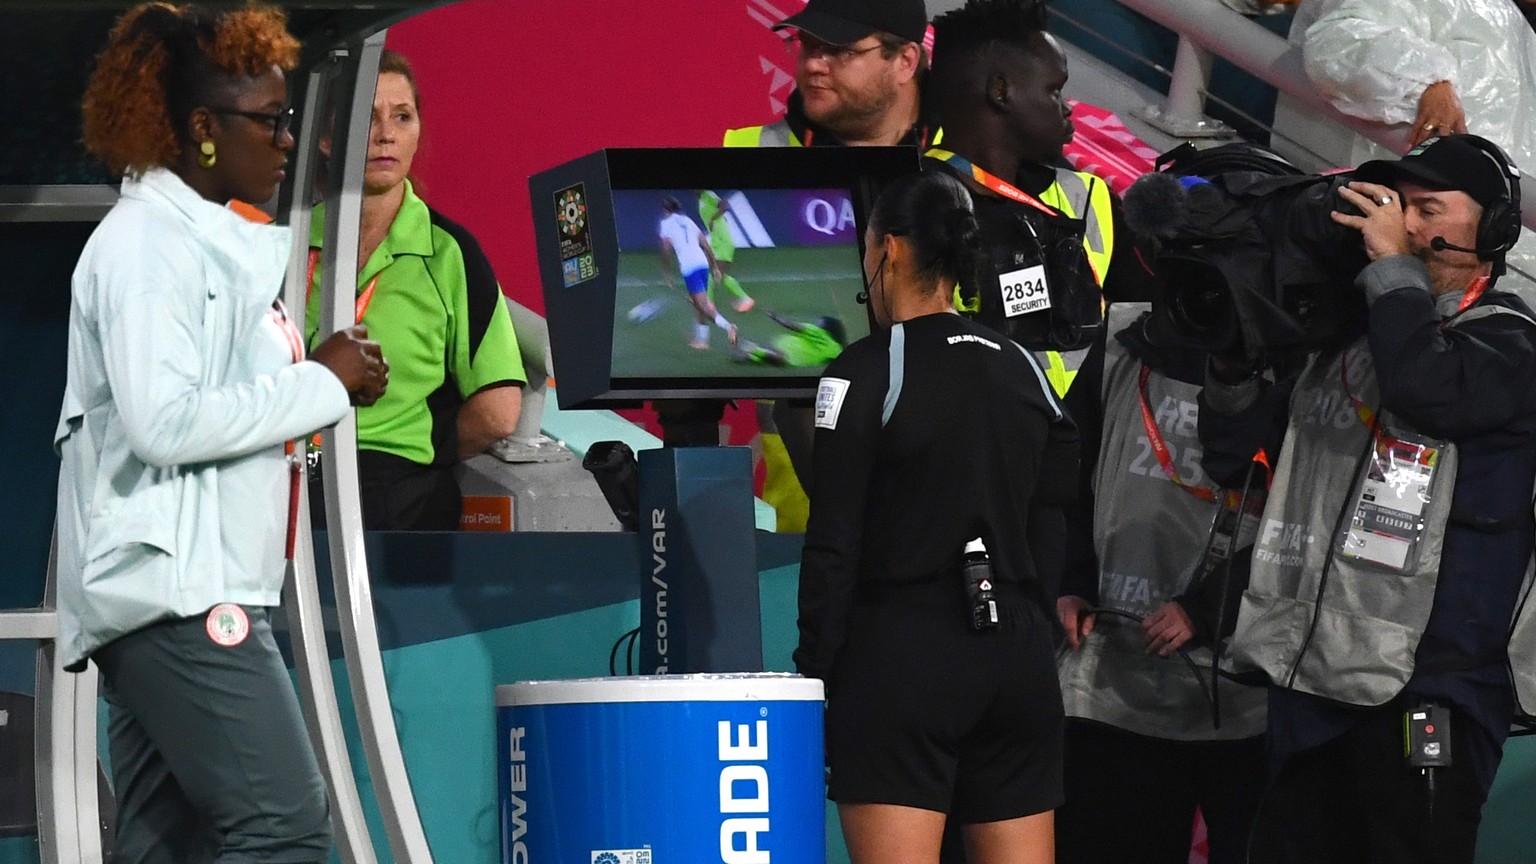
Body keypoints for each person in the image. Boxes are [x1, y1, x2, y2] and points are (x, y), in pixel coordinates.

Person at [57, 4, 389, 860]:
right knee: (285, 831)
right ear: (203, 129)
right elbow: (164, 422)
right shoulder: (146, 249)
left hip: (186, 590)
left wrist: (313, 377)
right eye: (270, 121)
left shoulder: (195, 242)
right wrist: (321, 382)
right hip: (179, 597)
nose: (289, 141)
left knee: (164, 850)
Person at [1198, 134, 1536, 863]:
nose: (1405, 226)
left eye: (1429, 209)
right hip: (1309, 683)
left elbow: (1427, 391)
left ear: (1497, 229)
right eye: (1397, 208)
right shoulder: (1344, 345)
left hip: (1428, 693)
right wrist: (1230, 352)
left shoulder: (1512, 344)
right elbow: (1233, 459)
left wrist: (1389, 270)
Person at [797, 169, 1073, 864]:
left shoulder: (864, 371)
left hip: (902, 658)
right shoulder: (1024, 367)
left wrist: (817, 670)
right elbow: (1055, 512)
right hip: (1017, 658)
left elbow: (834, 538)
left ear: (888, 251)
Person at [1054, 304, 1267, 864]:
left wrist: (1206, 609)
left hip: (1247, 693)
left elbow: (1305, 523)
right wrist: (1069, 581)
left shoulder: (1294, 348)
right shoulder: (1125, 338)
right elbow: (1062, 475)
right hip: (1113, 680)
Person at [724, 0, 933, 533]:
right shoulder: (749, 155)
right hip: (802, 532)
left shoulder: (962, 172)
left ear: (905, 61)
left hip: (940, 528)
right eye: (808, 46)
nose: (814, 64)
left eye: (839, 51)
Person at [306, 49, 525, 531]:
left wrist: (422, 450)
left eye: (402, 116)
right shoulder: (288, 244)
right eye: (367, 117)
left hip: (400, 494)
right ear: (325, 138)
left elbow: (499, 410)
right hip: (290, 483)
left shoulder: (450, 253)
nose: (386, 134)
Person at [1266, 0, 1536, 296]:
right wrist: (1428, 83)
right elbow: (1338, 44)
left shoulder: (1506, 15)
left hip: (1493, 244)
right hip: (1392, 239)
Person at [657, 196, 739, 351]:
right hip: (702, 263)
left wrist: (667, 272)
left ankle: (729, 327)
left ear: (665, 209)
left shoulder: (665, 224)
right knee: (698, 304)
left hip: (689, 267)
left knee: (702, 305)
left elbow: (666, 249)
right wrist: (714, 266)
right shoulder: (688, 221)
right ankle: (702, 341)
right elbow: (705, 243)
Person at [698, 189, 755, 312]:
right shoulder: (702, 199)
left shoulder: (708, 195)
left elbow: (725, 205)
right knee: (713, 272)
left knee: (714, 272)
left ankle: (709, 303)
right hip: (716, 241)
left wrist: (714, 218)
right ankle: (744, 299)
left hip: (723, 241)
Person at [731, 312, 847, 367]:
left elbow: (792, 325)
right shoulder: (836, 348)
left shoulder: (818, 332)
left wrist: (776, 317)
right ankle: (754, 352)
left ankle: (752, 353)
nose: (817, 324)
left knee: (775, 358)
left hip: (786, 344)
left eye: (820, 323)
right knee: (779, 359)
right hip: (795, 354)